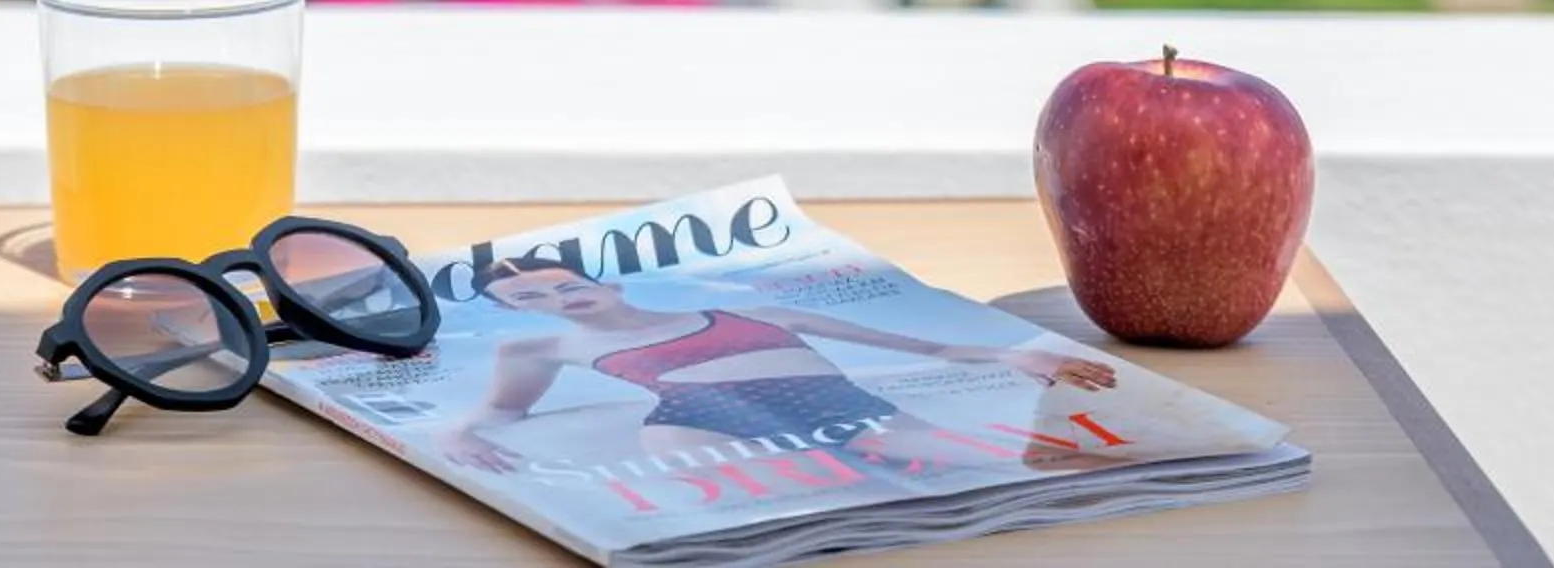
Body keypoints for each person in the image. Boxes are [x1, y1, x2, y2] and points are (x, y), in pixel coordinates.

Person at [437, 257, 1116, 475]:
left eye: (564, 285)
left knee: (1007, 467)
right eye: (530, 299)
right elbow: (503, 408)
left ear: (606, 284)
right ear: (515, 313)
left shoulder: (755, 310)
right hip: (693, 418)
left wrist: (1010, 352)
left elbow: (925, 349)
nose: (558, 300)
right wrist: (459, 434)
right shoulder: (536, 349)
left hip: (836, 402)